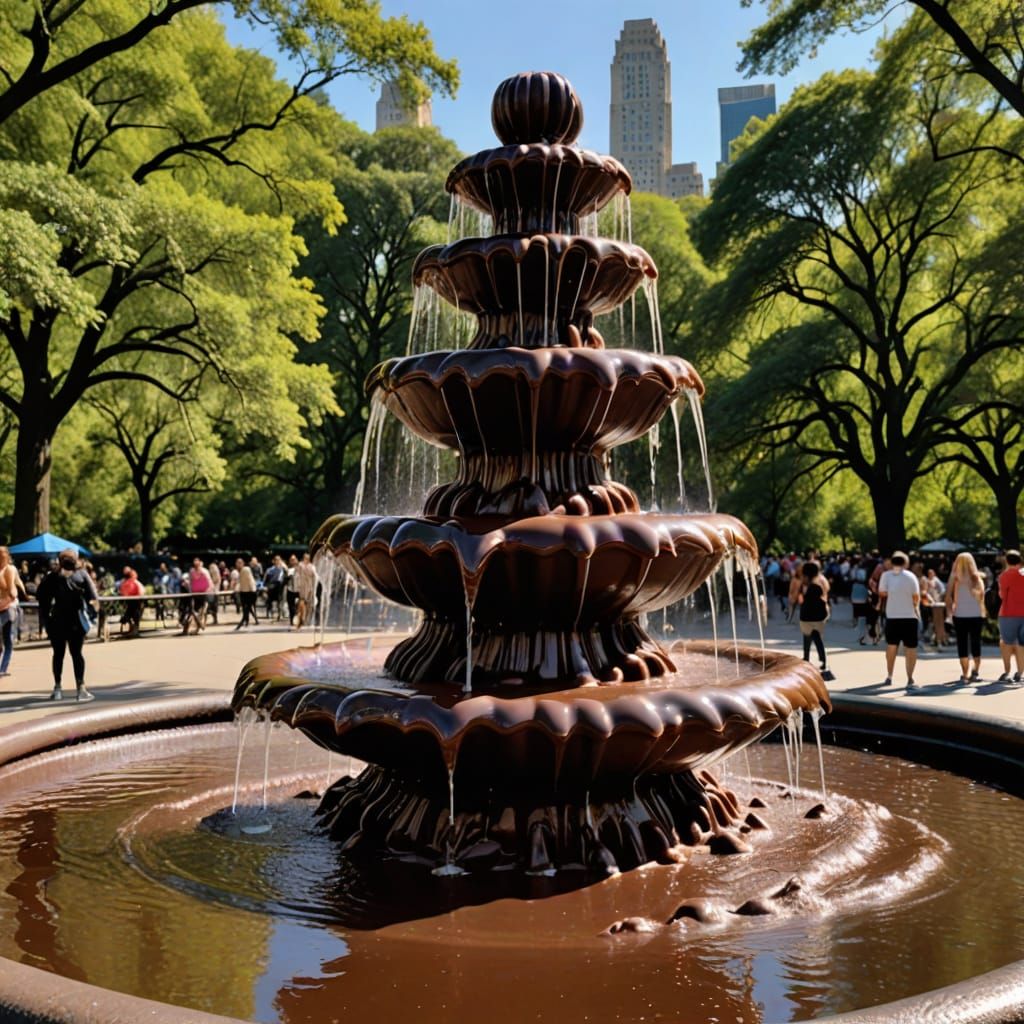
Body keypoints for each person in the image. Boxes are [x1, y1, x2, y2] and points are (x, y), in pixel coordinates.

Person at [35, 548, 98, 701]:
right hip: (76, 621)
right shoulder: (82, 574)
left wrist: (46, 620)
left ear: (60, 560)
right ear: (76, 560)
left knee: (58, 655)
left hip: (57, 621)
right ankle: (81, 689)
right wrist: (91, 614)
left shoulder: (52, 576)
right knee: (77, 655)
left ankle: (57, 689)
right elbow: (93, 597)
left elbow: (40, 597)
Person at [879, 551, 921, 689]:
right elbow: (916, 596)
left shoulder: (886, 575)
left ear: (892, 562)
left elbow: (882, 592)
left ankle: (889, 674)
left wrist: (894, 592)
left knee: (891, 646)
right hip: (910, 615)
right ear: (905, 563)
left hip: (892, 615)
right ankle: (910, 677)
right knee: (911, 648)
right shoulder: (911, 576)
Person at [946, 552, 985, 685]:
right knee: (976, 643)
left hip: (960, 614)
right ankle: (975, 671)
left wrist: (950, 611)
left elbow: (947, 596)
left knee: (962, 643)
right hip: (976, 614)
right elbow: (982, 596)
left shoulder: (954, 577)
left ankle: (965, 673)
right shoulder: (977, 577)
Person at [798, 560, 835, 681]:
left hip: (808, 618)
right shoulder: (820, 583)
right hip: (818, 618)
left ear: (806, 575)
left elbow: (803, 602)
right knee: (817, 639)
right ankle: (822, 661)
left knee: (808, 639)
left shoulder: (809, 587)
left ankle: (808, 659)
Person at [997, 550, 1024, 684]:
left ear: (1007, 561)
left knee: (1006, 642)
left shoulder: (1004, 576)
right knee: (1021, 644)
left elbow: (1002, 596)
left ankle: (1007, 671)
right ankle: (1020, 673)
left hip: (1008, 613)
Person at [0, 546, 21, 679]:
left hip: (6, 608)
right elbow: (13, 592)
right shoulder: (8, 570)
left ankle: (2, 668)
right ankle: (2, 669)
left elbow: (13, 592)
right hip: (6, 608)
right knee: (6, 642)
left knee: (5, 642)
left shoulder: (9, 570)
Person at [292, 553, 318, 630]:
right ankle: (301, 620)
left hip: (310, 587)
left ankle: (308, 621)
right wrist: (297, 587)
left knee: (310, 605)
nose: (306, 559)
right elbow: (296, 575)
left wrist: (314, 589)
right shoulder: (300, 565)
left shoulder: (312, 567)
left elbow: (315, 577)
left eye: (307, 558)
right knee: (302, 604)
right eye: (305, 558)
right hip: (302, 587)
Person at [924, 568, 948, 647]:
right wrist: (931, 599)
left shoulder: (936, 580)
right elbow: (927, 592)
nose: (930, 574)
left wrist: (939, 597)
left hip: (938, 603)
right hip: (933, 603)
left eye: (931, 573)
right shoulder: (927, 581)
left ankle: (940, 639)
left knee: (939, 622)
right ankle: (940, 639)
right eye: (929, 573)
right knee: (936, 621)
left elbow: (942, 590)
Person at [117, 567, 144, 635]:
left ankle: (134, 628)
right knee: (132, 611)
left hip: (135, 602)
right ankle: (133, 627)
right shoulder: (126, 582)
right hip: (131, 602)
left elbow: (140, 592)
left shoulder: (131, 582)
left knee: (134, 611)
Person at [235, 559, 259, 630]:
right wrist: (237, 590)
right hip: (244, 592)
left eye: (240, 563)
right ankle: (248, 621)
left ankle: (241, 623)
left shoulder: (245, 570)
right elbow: (240, 582)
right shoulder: (240, 571)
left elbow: (250, 580)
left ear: (243, 563)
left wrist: (253, 591)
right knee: (247, 609)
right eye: (237, 563)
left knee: (246, 609)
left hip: (249, 592)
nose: (238, 564)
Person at [264, 555, 286, 620]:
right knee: (270, 601)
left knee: (280, 601)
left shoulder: (282, 570)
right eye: (276, 560)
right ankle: (270, 613)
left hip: (279, 588)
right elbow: (265, 580)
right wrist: (265, 587)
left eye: (279, 560)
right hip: (271, 587)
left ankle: (280, 614)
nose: (277, 561)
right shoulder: (269, 570)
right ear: (273, 561)